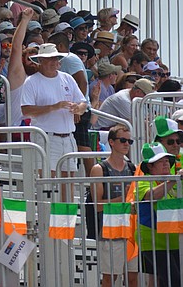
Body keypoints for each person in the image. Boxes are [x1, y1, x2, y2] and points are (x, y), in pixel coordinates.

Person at [20, 43, 88, 176]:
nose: (54, 61)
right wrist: (53, 107)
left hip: (68, 137)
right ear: (40, 61)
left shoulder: (67, 78)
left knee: (68, 183)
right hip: (46, 137)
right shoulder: (31, 82)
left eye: (56, 58)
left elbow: (83, 104)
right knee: (46, 182)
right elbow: (26, 110)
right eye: (50, 58)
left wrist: (77, 108)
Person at [88, 124, 138, 287]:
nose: (126, 144)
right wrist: (122, 199)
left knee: (132, 277)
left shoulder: (132, 168)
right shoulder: (99, 169)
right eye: (122, 140)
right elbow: (98, 206)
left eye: (129, 141)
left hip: (131, 230)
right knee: (110, 277)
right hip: (110, 230)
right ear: (111, 142)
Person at [135, 143, 181, 287]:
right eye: (161, 161)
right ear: (150, 166)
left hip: (175, 239)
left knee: (167, 282)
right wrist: (172, 180)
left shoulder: (176, 181)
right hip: (153, 241)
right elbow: (152, 195)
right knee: (173, 281)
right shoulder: (143, 181)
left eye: (167, 160)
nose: (166, 163)